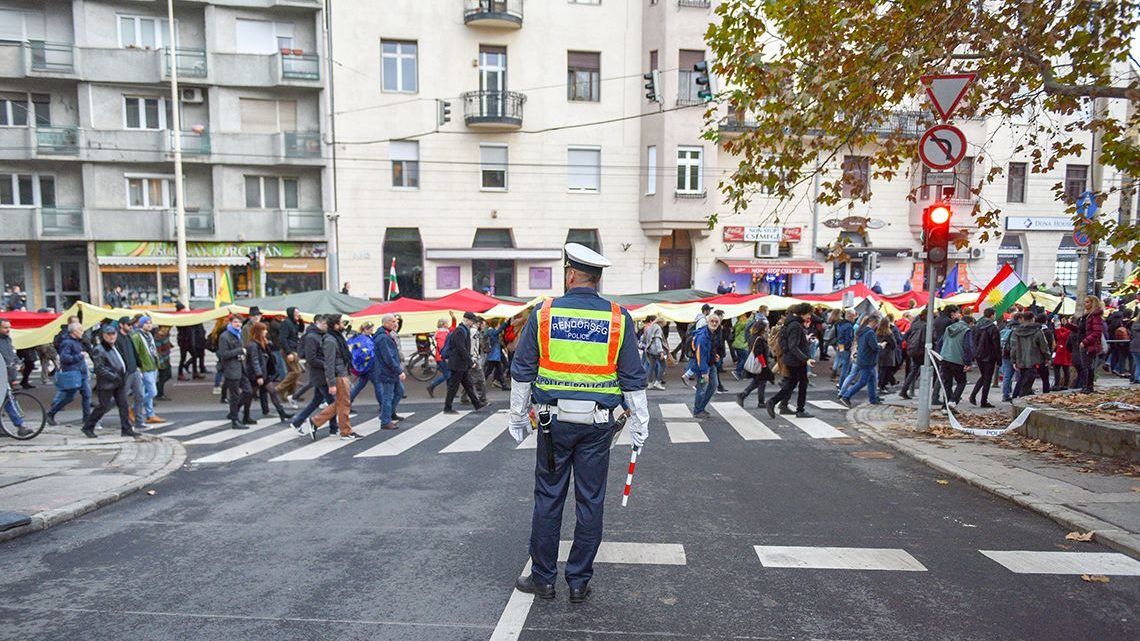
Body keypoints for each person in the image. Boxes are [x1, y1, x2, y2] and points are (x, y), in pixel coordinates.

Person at [507, 243, 648, 604]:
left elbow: (522, 371)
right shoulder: (618, 318)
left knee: (549, 498)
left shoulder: (544, 313)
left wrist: (517, 417)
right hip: (598, 427)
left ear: (570, 274)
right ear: (597, 279)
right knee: (590, 501)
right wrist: (640, 424)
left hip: (554, 425)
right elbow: (632, 377)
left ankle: (543, 578)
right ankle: (578, 581)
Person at [306, 314, 361, 440]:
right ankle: (345, 432)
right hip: (338, 375)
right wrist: (331, 383)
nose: (344, 325)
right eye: (342, 323)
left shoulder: (337, 338)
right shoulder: (330, 340)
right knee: (344, 403)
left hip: (342, 373)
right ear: (335, 325)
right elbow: (329, 363)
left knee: (341, 403)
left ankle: (316, 421)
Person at [82, 322, 140, 439]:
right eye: (108, 334)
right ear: (103, 335)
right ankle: (88, 426)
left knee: (123, 405)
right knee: (103, 406)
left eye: (113, 334)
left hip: (119, 381)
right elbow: (99, 368)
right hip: (107, 383)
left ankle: (126, 429)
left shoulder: (114, 346)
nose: (111, 336)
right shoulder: (100, 349)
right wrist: (113, 376)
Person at [289, 315, 338, 436]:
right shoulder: (312, 336)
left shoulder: (317, 335)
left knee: (317, 401)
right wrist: (327, 364)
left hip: (320, 373)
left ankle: (297, 422)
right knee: (333, 403)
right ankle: (333, 428)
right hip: (319, 374)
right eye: (326, 324)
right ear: (318, 323)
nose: (327, 327)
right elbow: (311, 359)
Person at [766, 303, 815, 418]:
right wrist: (806, 359)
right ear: (802, 313)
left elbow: (790, 343)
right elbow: (793, 346)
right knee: (802, 384)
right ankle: (800, 410)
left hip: (792, 359)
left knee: (791, 384)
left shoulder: (790, 323)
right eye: (808, 314)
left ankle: (774, 402)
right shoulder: (796, 325)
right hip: (797, 361)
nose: (810, 316)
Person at [244, 321, 293, 423]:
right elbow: (255, 361)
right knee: (248, 395)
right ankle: (244, 415)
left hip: (263, 373)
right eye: (264, 330)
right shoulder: (253, 345)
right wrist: (259, 375)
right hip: (256, 374)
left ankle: (282, 413)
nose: (266, 331)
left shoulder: (263, 342)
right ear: (258, 332)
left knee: (273, 391)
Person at [46, 321, 92, 427]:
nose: (82, 331)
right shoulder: (67, 342)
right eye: (80, 329)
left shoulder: (77, 341)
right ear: (74, 331)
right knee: (70, 396)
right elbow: (64, 358)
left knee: (86, 395)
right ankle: (51, 413)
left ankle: (87, 419)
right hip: (74, 373)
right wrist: (79, 356)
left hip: (81, 373)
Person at [442, 312, 485, 414]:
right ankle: (447, 407)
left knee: (468, 384)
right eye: (472, 321)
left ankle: (477, 404)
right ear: (467, 320)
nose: (472, 323)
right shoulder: (460, 331)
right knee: (454, 386)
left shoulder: (463, 330)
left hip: (461, 364)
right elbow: (461, 348)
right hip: (458, 364)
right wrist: (470, 362)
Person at [218, 314, 253, 430]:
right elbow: (223, 354)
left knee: (248, 391)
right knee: (234, 395)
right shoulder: (225, 336)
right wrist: (240, 351)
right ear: (230, 323)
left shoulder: (239, 334)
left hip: (241, 367)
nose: (238, 325)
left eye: (239, 323)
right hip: (231, 369)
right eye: (235, 322)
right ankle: (235, 420)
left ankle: (234, 412)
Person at [838, 316, 882, 407]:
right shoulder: (870, 333)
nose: (877, 325)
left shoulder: (862, 331)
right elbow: (874, 347)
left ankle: (873, 399)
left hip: (862, 358)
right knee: (863, 381)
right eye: (877, 323)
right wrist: (881, 346)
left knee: (872, 379)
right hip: (868, 360)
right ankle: (846, 396)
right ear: (873, 322)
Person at [374, 314, 406, 429]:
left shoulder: (386, 335)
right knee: (388, 395)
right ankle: (385, 421)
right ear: (385, 322)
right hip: (387, 371)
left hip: (388, 370)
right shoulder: (383, 337)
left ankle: (388, 414)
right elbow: (388, 357)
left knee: (399, 391)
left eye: (395, 321)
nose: (395, 324)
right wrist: (399, 371)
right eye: (393, 321)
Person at [1011, 311, 1052, 398]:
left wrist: (1014, 360)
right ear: (1033, 319)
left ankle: (1016, 396)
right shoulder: (1037, 331)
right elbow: (1044, 346)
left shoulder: (1016, 332)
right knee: (1028, 382)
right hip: (1034, 360)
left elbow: (1013, 348)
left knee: (1022, 379)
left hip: (1021, 360)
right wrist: (1048, 358)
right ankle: (1021, 397)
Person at [130, 316, 163, 425]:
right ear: (141, 324)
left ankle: (150, 414)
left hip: (152, 365)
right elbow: (135, 353)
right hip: (145, 367)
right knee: (153, 392)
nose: (149, 325)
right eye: (146, 323)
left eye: (150, 322)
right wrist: (138, 368)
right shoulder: (137, 336)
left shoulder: (149, 335)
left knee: (146, 391)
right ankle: (133, 409)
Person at [736, 317, 773, 407]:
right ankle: (759, 401)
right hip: (760, 364)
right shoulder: (759, 338)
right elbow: (758, 353)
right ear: (763, 328)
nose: (768, 328)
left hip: (759, 363)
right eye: (767, 326)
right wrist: (764, 365)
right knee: (761, 382)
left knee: (757, 382)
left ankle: (744, 395)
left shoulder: (753, 336)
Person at [968, 308, 1001, 407]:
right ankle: (983, 400)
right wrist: (999, 359)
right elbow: (996, 344)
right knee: (987, 378)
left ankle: (973, 395)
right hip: (990, 355)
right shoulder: (993, 328)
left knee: (983, 376)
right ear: (992, 315)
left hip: (979, 355)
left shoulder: (976, 326)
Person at [690, 313, 721, 418]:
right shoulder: (703, 336)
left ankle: (700, 408)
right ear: (707, 322)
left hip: (710, 364)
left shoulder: (711, 333)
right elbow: (700, 355)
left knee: (713, 385)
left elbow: (708, 349)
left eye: (716, 322)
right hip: (704, 367)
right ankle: (698, 410)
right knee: (702, 388)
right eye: (712, 321)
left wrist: (714, 355)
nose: (714, 323)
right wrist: (704, 372)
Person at [1075, 297, 1105, 393]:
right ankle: (1087, 386)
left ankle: (1087, 386)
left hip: (1089, 345)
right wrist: (1068, 326)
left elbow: (1097, 332)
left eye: (1087, 302)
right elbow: (1081, 330)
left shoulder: (1094, 316)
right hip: (1085, 343)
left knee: (1087, 366)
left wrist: (1085, 342)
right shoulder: (1087, 316)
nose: (1085, 304)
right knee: (1086, 366)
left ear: (1093, 303)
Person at [277, 307, 305, 407]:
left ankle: (291, 395)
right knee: (296, 371)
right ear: (291, 313)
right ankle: (279, 389)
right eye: (296, 313)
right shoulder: (286, 323)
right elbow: (283, 338)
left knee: (293, 373)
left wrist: (300, 321)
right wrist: (288, 352)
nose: (298, 314)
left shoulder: (294, 322)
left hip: (293, 349)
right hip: (289, 350)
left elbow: (300, 330)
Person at [426, 313, 457, 398]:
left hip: (441, 357)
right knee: (448, 375)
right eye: (447, 323)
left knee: (448, 374)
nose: (448, 324)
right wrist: (446, 356)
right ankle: (432, 386)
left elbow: (453, 327)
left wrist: (453, 318)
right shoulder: (442, 333)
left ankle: (450, 392)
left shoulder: (445, 331)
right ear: (443, 324)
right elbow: (441, 346)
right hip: (442, 357)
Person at [898, 312, 926, 399]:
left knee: (914, 370)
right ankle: (906, 389)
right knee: (918, 370)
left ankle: (905, 389)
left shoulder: (914, 324)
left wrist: (909, 343)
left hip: (912, 349)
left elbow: (905, 336)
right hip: (921, 350)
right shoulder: (925, 326)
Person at [642, 316, 667, 390]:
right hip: (656, 350)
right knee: (663, 365)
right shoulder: (657, 328)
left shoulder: (650, 327)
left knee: (651, 366)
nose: (663, 326)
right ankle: (658, 382)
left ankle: (649, 383)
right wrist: (661, 351)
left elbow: (645, 338)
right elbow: (657, 340)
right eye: (663, 325)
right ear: (661, 323)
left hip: (649, 349)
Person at [483, 319, 509, 390]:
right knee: (489, 371)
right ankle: (481, 383)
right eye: (498, 324)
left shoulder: (490, 331)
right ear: (495, 324)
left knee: (498, 370)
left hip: (494, 355)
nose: (499, 325)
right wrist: (505, 322)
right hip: (494, 355)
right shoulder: (491, 331)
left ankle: (503, 385)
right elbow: (499, 330)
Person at [1053, 317, 1074, 390]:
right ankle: (1063, 384)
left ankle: (1059, 384)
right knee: (1064, 368)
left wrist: (1058, 329)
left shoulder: (1069, 331)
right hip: (1063, 350)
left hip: (1063, 350)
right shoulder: (1069, 330)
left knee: (1060, 367)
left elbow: (1061, 336)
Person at [154, 326, 173, 401]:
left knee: (168, 375)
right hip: (162, 360)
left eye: (167, 328)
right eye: (164, 328)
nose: (166, 329)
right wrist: (160, 363)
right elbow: (158, 352)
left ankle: (158, 389)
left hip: (166, 359)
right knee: (163, 376)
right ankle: (159, 393)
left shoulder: (166, 335)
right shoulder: (158, 338)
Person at [731, 312, 751, 380]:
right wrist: (752, 316)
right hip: (741, 344)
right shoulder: (743, 323)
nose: (746, 317)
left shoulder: (738, 323)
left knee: (741, 359)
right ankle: (737, 371)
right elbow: (747, 323)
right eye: (744, 316)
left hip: (737, 344)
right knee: (745, 359)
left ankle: (740, 375)